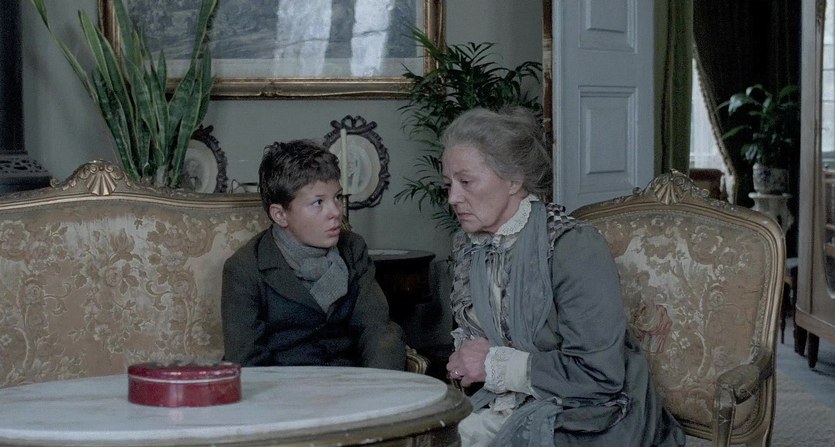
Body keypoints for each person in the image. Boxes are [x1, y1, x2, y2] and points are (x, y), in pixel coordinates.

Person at [441, 107, 686, 446]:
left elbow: (599, 375)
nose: (453, 198)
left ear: (513, 180)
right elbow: (480, 342)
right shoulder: (471, 247)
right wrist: (468, 358)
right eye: (448, 184)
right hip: (509, 404)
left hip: (594, 416)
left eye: (466, 182)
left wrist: (492, 363)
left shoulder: (573, 247)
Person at [221, 139, 406, 369]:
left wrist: (381, 383)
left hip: (353, 383)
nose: (335, 212)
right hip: (284, 387)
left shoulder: (353, 248)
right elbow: (247, 360)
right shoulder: (245, 268)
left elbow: (377, 329)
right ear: (280, 215)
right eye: (318, 202)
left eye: (337, 197)